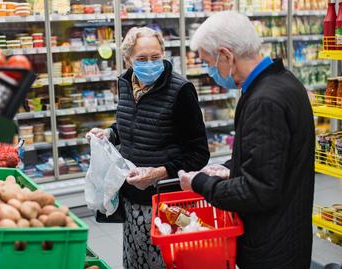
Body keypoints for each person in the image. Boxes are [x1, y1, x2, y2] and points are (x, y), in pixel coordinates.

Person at [178, 11, 315, 269]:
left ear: (226, 55)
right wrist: (231, 168)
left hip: (271, 247)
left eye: (210, 63)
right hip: (289, 232)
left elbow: (259, 190)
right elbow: (272, 159)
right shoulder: (283, 82)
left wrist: (200, 183)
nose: (210, 73)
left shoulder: (265, 100)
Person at [87, 26, 209, 269]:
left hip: (169, 202)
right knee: (135, 261)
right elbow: (131, 125)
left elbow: (199, 153)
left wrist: (159, 172)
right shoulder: (125, 83)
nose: (150, 64)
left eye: (156, 57)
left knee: (167, 262)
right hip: (133, 197)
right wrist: (109, 133)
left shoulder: (181, 90)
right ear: (128, 60)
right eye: (142, 59)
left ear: (164, 53)